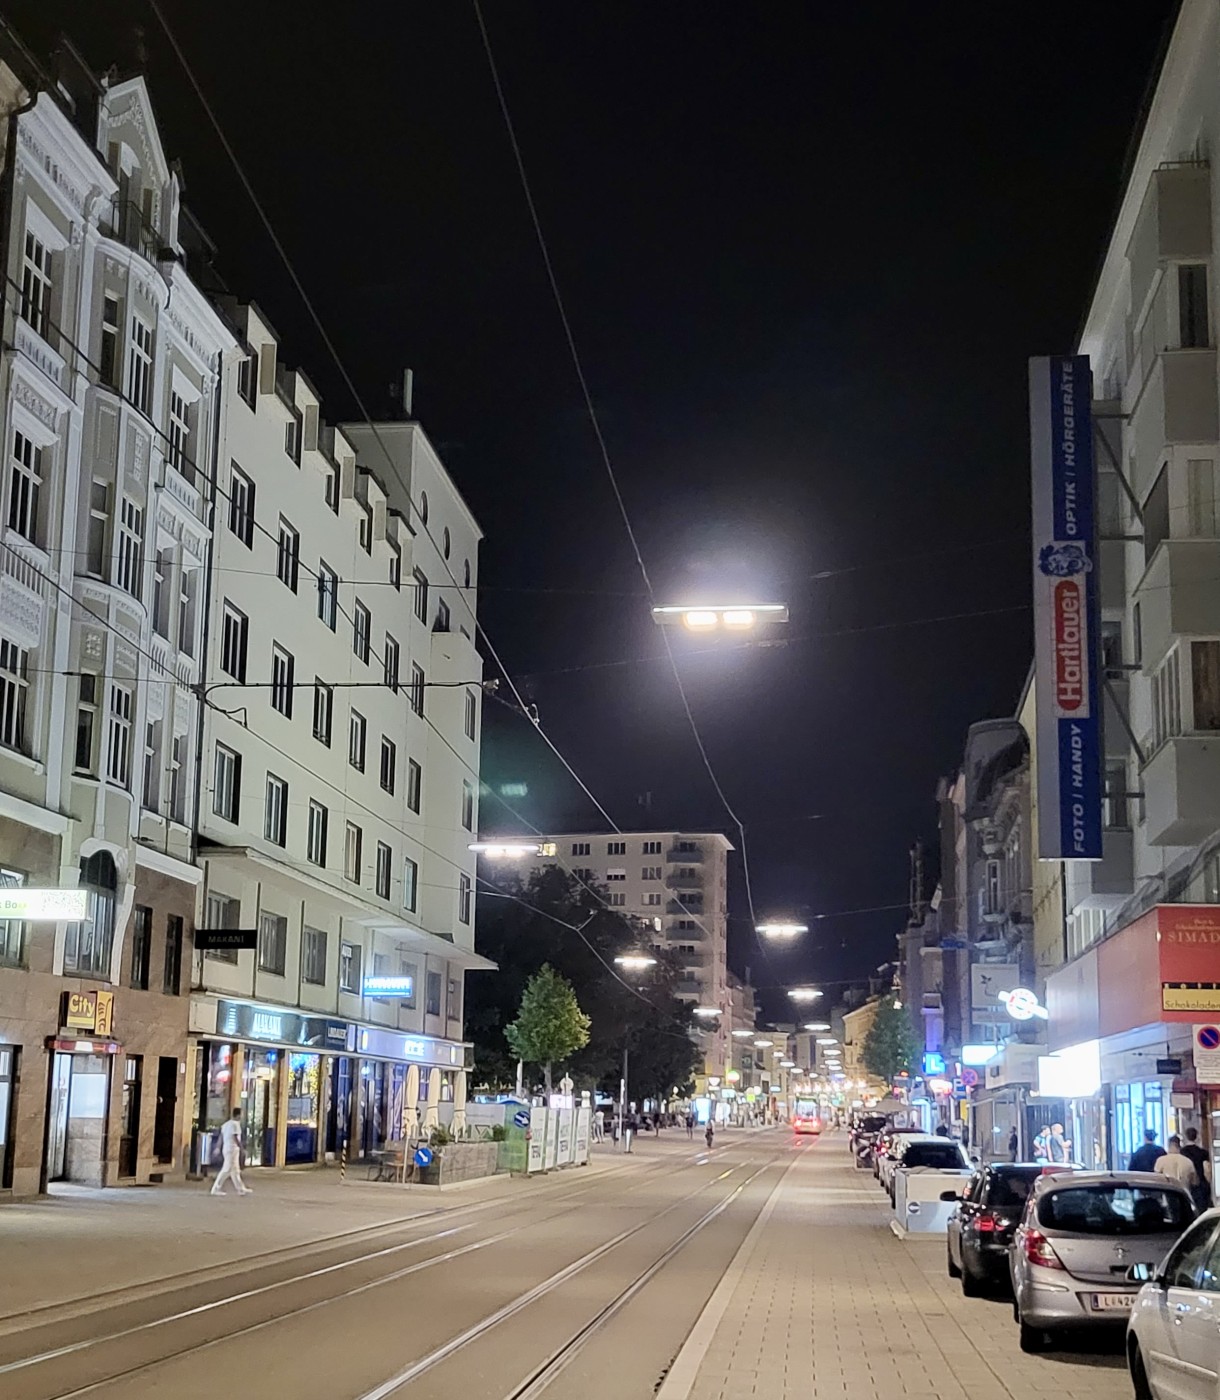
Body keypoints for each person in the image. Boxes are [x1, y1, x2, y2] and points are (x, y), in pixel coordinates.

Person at [211, 1109, 251, 1196]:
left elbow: (221, 1137)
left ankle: (240, 1189)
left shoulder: (226, 1125)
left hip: (227, 1149)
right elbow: (235, 1137)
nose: (242, 1116)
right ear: (238, 1115)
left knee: (235, 1170)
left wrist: (217, 1147)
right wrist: (242, 1149)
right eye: (241, 1114)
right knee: (226, 1169)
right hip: (232, 1149)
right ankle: (216, 1188)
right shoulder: (235, 1125)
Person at [1181, 1127, 1212, 1211]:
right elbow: (1207, 1169)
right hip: (1201, 1183)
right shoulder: (1203, 1152)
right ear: (1197, 1137)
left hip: (1187, 1183)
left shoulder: (1182, 1152)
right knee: (1201, 1209)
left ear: (1186, 1136)